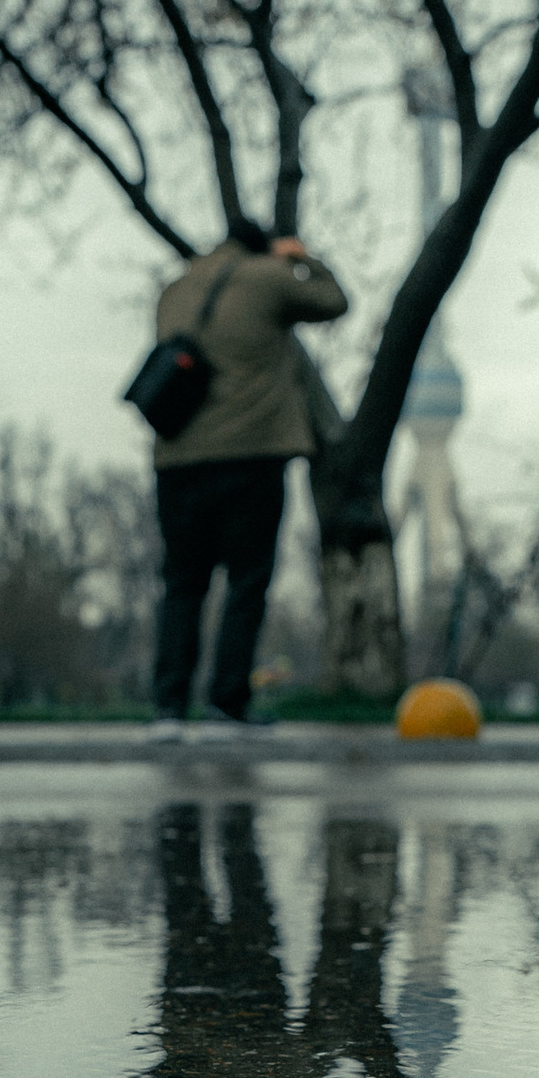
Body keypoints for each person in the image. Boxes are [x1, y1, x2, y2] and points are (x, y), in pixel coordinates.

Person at [146, 220, 347, 737]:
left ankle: (168, 710)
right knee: (246, 582)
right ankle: (227, 704)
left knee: (182, 584)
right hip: (252, 454)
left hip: (178, 457)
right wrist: (300, 259)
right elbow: (334, 302)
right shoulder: (269, 278)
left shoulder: (176, 288)